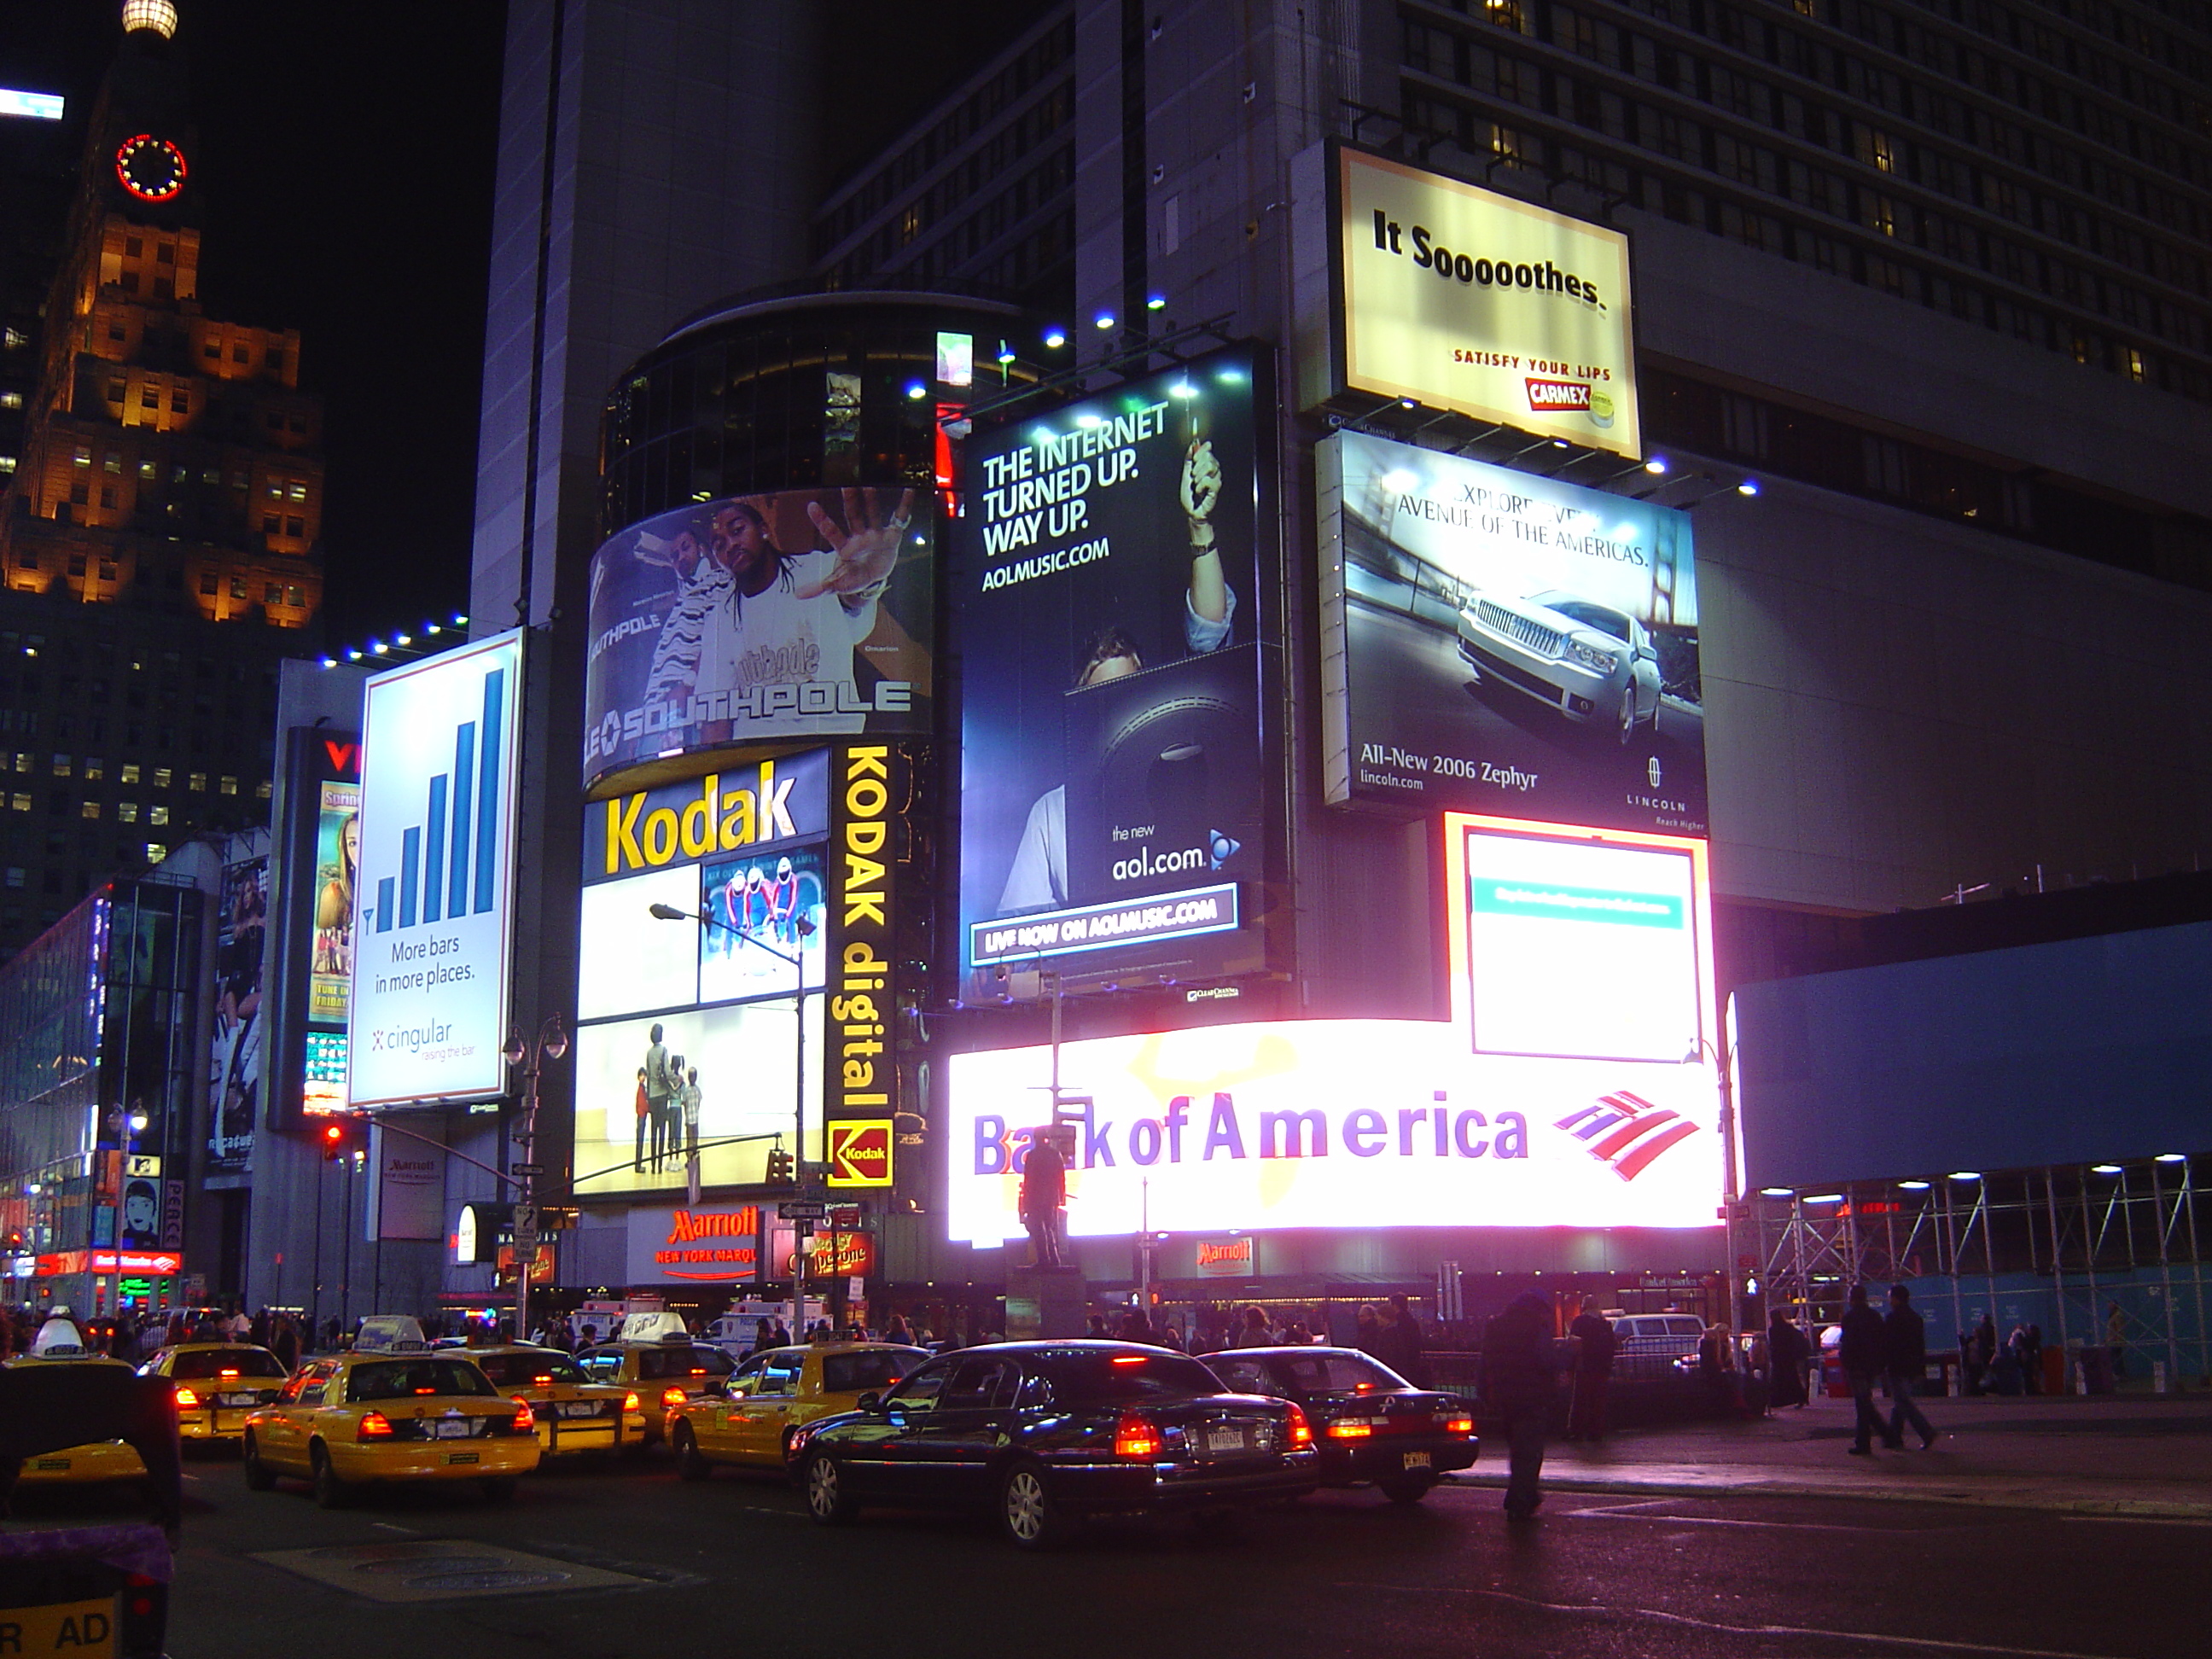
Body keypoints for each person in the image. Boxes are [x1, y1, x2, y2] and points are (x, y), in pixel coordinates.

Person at [996, 441, 1241, 914]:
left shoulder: (1183, 760)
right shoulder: (1055, 812)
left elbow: (1210, 638)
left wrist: (1200, 528)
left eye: (1125, 691)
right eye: (1100, 697)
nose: (1115, 710)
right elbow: (1018, 935)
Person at [692, 491, 912, 740]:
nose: (730, 545)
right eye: (719, 545)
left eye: (737, 530)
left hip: (833, 748)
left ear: (764, 529)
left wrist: (869, 583)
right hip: (759, 760)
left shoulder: (820, 570)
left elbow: (853, 600)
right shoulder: (719, 620)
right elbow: (714, 717)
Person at [1481, 1289, 1563, 1522]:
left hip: (1504, 1397)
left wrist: (1486, 1395)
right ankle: (1520, 1500)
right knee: (1528, 1452)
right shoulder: (1537, 1329)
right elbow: (1547, 1361)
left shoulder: (1495, 1326)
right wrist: (1567, 1352)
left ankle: (1525, 1495)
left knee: (1517, 1450)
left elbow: (1484, 1362)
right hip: (1532, 1397)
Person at [1883, 1285, 1939, 1448]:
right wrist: (1920, 1368)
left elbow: (1888, 1344)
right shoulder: (1915, 1318)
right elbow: (1920, 1345)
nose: (1889, 1300)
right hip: (1911, 1365)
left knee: (1902, 1401)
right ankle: (1893, 1438)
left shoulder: (1892, 1318)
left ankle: (1925, 1431)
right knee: (1900, 1401)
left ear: (1895, 1298)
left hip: (1896, 1365)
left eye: (1890, 1297)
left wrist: (1883, 1364)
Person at [1839, 1284, 1889, 1454]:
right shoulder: (1874, 1316)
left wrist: (1847, 1363)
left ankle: (1865, 1442)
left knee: (1862, 1404)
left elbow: (1848, 1344)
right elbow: (1882, 1342)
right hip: (1870, 1365)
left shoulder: (1850, 1318)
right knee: (1864, 1401)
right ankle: (1886, 1434)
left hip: (1856, 1365)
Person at [1565, 1298, 1616, 1442]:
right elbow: (1612, 1345)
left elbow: (1573, 1342)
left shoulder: (1580, 1322)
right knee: (1598, 1401)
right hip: (1602, 1367)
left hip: (1584, 1366)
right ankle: (1596, 1431)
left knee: (1581, 1400)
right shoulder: (1605, 1324)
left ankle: (1576, 1431)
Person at [1017, 1130, 1067, 1268]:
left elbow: (1029, 1180)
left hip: (1036, 1198)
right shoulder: (1054, 1154)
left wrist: (1025, 1203)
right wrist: (1060, 1197)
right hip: (1051, 1199)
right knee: (1049, 1229)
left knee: (1039, 1229)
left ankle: (1044, 1260)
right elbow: (1061, 1178)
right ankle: (1054, 1259)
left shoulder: (1033, 1155)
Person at [642, 1024, 674, 1173]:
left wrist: (648, 1096)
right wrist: (676, 1079)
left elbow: (648, 1075)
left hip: (653, 1096)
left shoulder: (649, 1053)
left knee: (653, 1131)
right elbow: (667, 1073)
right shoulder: (663, 1050)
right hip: (662, 1095)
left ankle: (653, 1165)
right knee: (662, 1130)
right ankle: (660, 1166)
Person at [1767, 1308, 1811, 1409]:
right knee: (1793, 1378)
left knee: (1778, 1380)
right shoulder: (1788, 1328)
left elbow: (1774, 1344)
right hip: (1789, 1357)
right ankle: (1800, 1398)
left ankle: (1777, 1401)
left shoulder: (1773, 1330)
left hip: (1778, 1357)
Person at [632, 1066, 650, 1173]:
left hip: (642, 1116)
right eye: (641, 1075)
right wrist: (649, 1109)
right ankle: (638, 1166)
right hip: (641, 1117)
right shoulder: (641, 1089)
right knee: (640, 1142)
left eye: (644, 1075)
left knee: (640, 1142)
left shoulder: (643, 1088)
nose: (643, 1077)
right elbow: (642, 1104)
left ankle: (638, 1165)